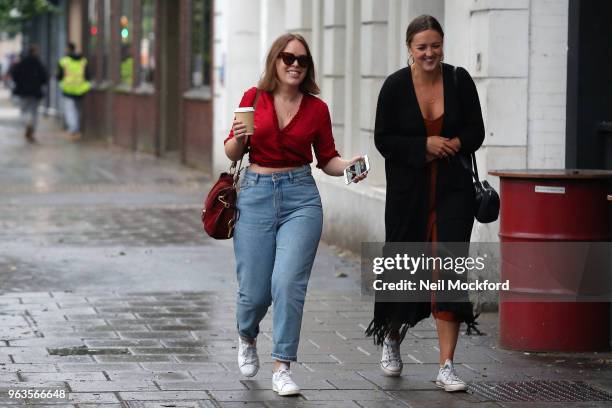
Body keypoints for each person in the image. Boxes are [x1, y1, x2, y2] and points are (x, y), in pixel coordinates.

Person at [225, 33, 366, 396]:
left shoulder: (317, 109)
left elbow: (328, 159)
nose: (294, 65)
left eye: (302, 60)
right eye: (288, 58)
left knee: (288, 284)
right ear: (275, 61)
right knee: (254, 292)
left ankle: (282, 366)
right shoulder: (253, 99)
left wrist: (348, 165)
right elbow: (231, 151)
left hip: (301, 199)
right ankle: (247, 333)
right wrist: (239, 137)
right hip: (255, 194)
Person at [365, 15, 484, 392]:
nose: (429, 52)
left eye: (435, 45)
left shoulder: (458, 80)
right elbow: (384, 139)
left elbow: (476, 130)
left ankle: (446, 365)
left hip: (453, 193)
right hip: (408, 195)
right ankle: (391, 338)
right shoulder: (395, 87)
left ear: (442, 45)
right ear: (410, 50)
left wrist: (455, 143)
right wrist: (423, 146)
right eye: (422, 47)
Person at [10, 45, 49, 143]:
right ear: (34, 52)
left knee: (23, 110)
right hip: (35, 92)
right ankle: (32, 129)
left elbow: (14, 76)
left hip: (23, 91)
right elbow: (44, 78)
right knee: (34, 112)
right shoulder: (38, 63)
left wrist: (20, 83)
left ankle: (27, 124)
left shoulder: (21, 63)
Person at [57, 43, 91, 140]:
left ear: (68, 49)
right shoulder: (83, 61)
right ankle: (77, 129)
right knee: (77, 110)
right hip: (81, 89)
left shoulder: (64, 61)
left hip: (68, 89)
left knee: (70, 111)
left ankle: (73, 130)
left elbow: (59, 76)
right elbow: (88, 75)